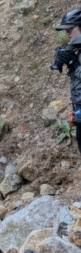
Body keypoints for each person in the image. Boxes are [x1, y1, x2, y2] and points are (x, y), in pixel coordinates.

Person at [52, 8, 81, 154]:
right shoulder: (75, 48)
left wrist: (73, 63)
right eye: (66, 30)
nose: (68, 32)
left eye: (71, 29)